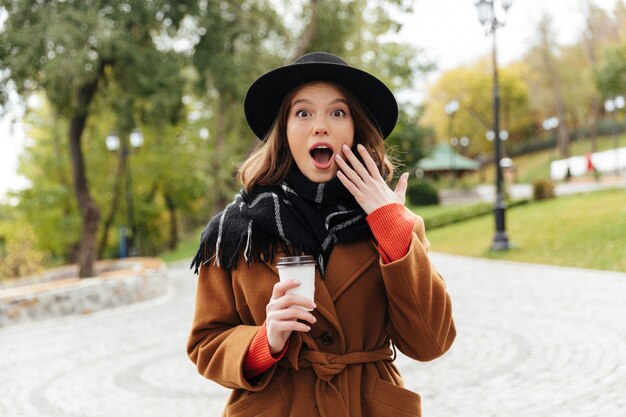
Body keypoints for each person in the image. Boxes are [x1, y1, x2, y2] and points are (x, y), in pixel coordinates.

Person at [187, 52, 456, 417]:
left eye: (337, 112)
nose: (320, 126)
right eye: (303, 112)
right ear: (283, 131)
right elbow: (206, 343)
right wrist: (264, 340)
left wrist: (390, 228)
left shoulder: (396, 223)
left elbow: (431, 343)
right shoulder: (235, 231)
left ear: (355, 128)